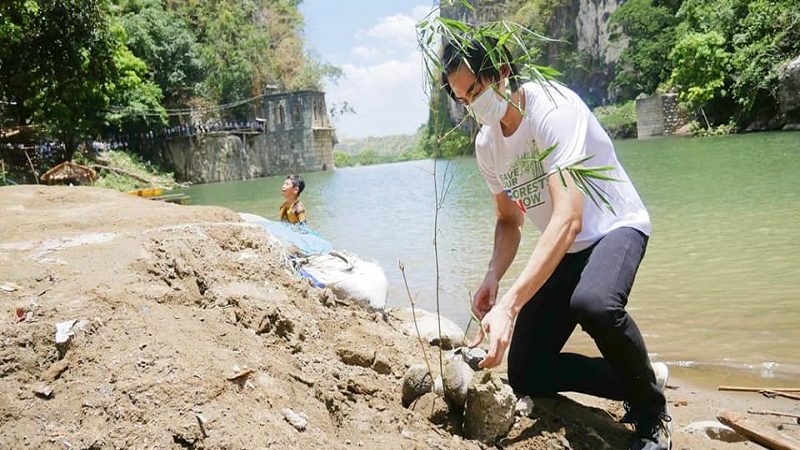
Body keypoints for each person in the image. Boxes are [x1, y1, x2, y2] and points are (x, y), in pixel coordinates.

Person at [441, 38, 671, 450]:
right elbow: (509, 220)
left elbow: (569, 218)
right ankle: (638, 377)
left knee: (595, 304)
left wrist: (510, 306)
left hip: (613, 226)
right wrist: (493, 276)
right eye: (462, 100)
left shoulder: (553, 109)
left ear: (502, 73)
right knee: (527, 372)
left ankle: (652, 415)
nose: (472, 105)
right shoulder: (487, 146)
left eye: (475, 91)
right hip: (564, 245)